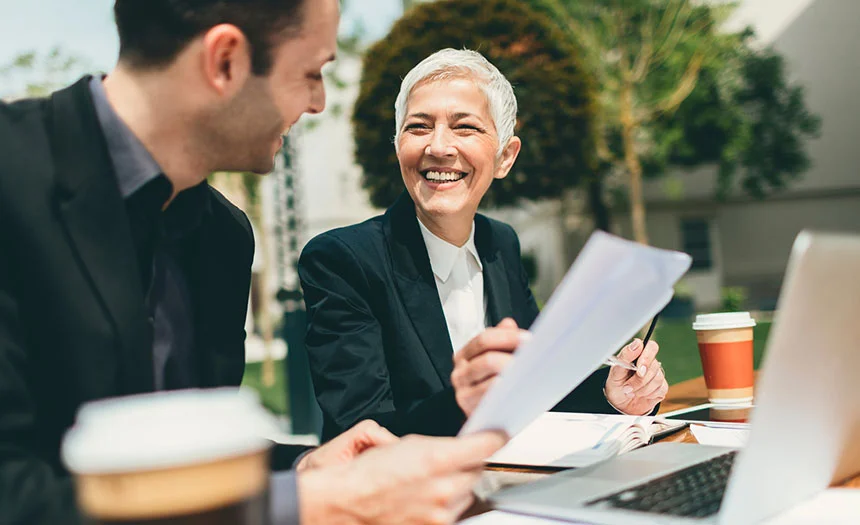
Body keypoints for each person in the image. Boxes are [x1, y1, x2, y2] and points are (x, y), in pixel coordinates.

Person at [0, 3, 506, 525]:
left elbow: (182, 461)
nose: (318, 102)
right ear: (225, 61)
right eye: (311, 74)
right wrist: (298, 506)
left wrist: (304, 467)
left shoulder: (224, 236)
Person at [299, 49, 669, 441]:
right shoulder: (342, 261)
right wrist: (469, 400)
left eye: (465, 127)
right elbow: (360, 433)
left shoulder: (500, 243)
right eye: (419, 127)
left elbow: (535, 386)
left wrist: (612, 394)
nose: (438, 146)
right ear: (398, 146)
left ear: (505, 156)